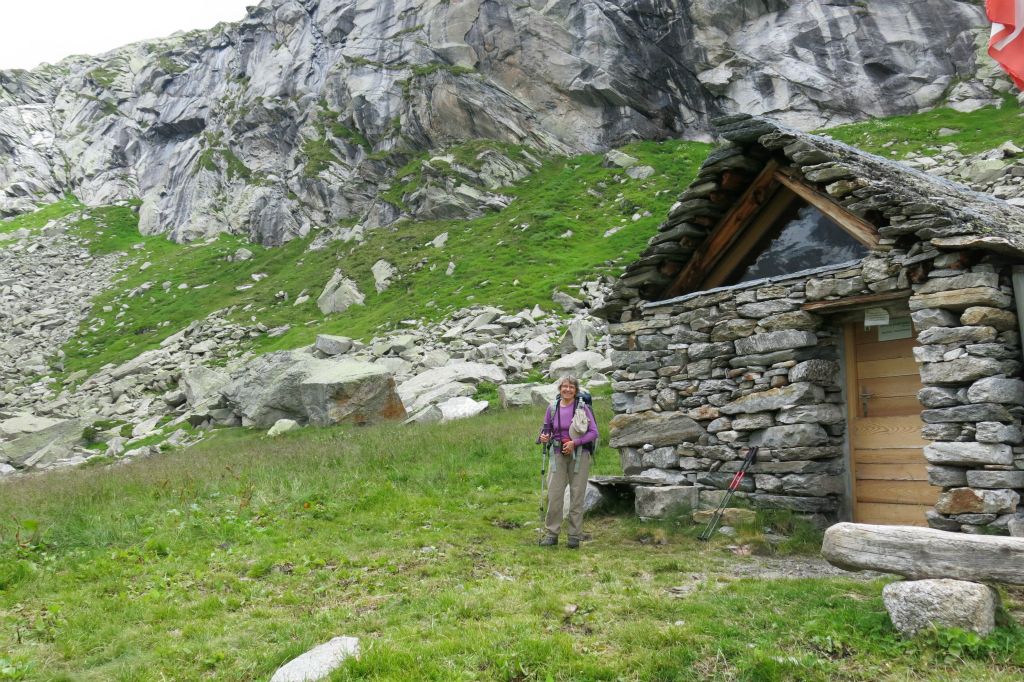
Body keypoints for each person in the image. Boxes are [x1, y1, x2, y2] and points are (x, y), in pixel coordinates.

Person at [537, 375, 598, 549]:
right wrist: (543, 437)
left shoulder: (583, 408)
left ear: (576, 390)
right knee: (555, 495)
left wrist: (574, 443)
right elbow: (545, 429)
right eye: (565, 386)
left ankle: (574, 536)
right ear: (560, 389)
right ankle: (552, 534)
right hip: (557, 454)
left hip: (580, 455)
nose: (568, 389)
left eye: (571, 387)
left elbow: (594, 433)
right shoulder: (552, 408)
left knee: (577, 495)